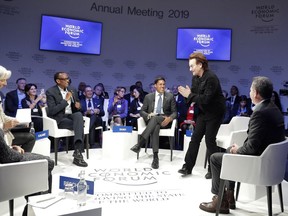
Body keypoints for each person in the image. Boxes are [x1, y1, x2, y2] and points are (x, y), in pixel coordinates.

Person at [199, 76, 285, 214]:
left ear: (256, 93)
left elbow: (251, 147)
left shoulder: (259, 112)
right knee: (228, 150)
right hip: (272, 163)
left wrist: (238, 150)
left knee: (215, 158)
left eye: (251, 89)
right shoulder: (274, 109)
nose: (249, 92)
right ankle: (229, 197)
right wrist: (235, 150)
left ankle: (219, 200)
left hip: (258, 163)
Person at [177, 52, 226, 179]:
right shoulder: (195, 78)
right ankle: (187, 167)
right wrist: (188, 96)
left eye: (192, 66)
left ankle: (213, 169)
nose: (190, 69)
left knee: (210, 140)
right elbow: (195, 97)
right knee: (195, 139)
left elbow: (205, 99)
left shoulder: (211, 78)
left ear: (200, 64)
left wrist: (190, 95)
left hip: (215, 112)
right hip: (203, 112)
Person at [130, 77, 177, 169]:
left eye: (164, 84)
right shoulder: (149, 97)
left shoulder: (170, 96)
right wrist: (148, 115)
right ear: (155, 85)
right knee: (155, 125)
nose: (162, 86)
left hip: (164, 121)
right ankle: (155, 157)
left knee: (155, 121)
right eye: (160, 84)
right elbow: (142, 111)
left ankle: (140, 144)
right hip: (152, 120)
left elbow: (175, 112)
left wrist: (170, 118)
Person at [46, 72, 88, 167]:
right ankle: (78, 154)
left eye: (68, 78)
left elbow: (76, 105)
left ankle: (77, 151)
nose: (68, 80)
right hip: (60, 119)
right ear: (58, 81)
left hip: (71, 117)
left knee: (78, 114)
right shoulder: (50, 91)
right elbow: (52, 111)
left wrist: (78, 106)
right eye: (65, 79)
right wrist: (65, 100)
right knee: (80, 124)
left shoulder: (72, 89)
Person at [0, 66, 35, 152]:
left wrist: (19, 121)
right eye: (3, 80)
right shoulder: (10, 94)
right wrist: (4, 126)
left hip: (4, 134)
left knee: (31, 137)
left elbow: (2, 116)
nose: (5, 84)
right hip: (2, 136)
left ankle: (20, 161)